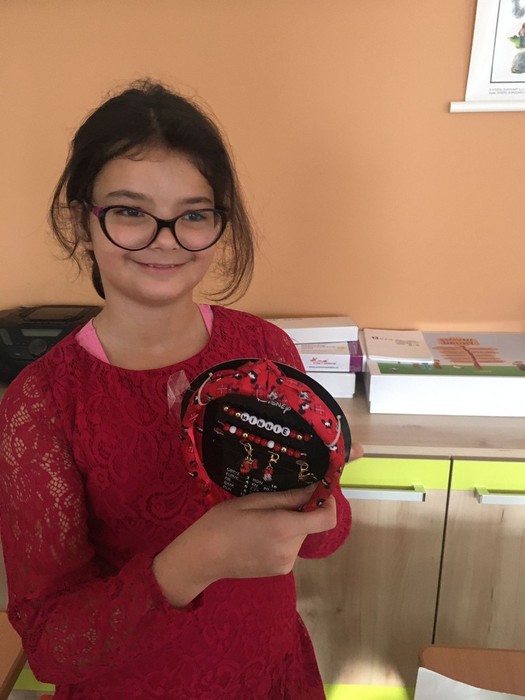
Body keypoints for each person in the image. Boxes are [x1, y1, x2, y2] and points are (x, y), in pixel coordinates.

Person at [0, 80, 361, 700]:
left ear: (220, 224)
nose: (165, 238)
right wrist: (194, 561)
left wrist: (320, 486)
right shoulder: (40, 404)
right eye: (130, 211)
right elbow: (52, 646)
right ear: (81, 221)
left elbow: (325, 538)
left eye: (194, 214)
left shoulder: (265, 348)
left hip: (271, 677)